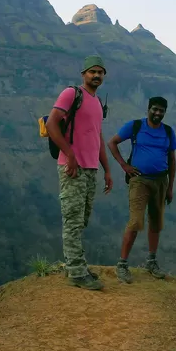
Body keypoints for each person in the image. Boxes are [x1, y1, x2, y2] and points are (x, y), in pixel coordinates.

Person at [45, 55, 114, 291]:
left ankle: (76, 265)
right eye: (92, 71)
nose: (96, 75)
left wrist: (107, 170)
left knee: (81, 219)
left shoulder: (97, 102)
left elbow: (98, 137)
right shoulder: (71, 94)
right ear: (83, 74)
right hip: (72, 167)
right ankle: (76, 272)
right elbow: (52, 123)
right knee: (72, 220)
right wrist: (70, 154)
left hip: (91, 168)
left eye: (100, 72)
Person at [107, 97, 176, 283]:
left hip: (161, 180)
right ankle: (122, 264)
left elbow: (172, 160)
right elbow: (112, 143)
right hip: (139, 180)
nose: (158, 113)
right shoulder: (136, 126)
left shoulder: (168, 131)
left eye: (161, 110)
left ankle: (151, 262)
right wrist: (124, 165)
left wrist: (170, 187)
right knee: (135, 221)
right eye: (155, 109)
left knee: (156, 221)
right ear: (148, 109)